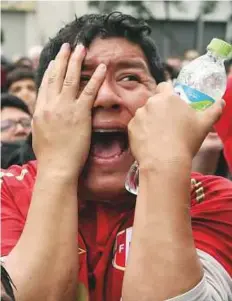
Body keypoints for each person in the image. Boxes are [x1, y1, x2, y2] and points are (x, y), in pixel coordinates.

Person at [1, 12, 232, 301]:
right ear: (43, 108)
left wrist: (163, 165)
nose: (106, 97)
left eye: (130, 77)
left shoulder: (214, 199)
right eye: (81, 80)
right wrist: (57, 169)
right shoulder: (7, 191)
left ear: (163, 98)